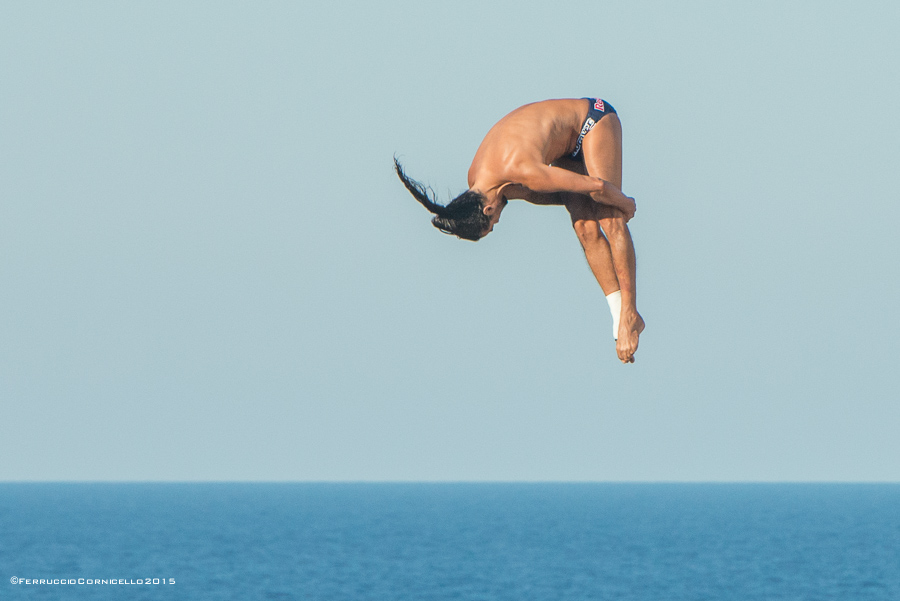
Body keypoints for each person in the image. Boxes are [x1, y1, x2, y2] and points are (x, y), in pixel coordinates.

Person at [395, 98, 644, 363]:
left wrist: (625, 203)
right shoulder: (479, 182)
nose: (498, 223)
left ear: (488, 211)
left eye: (492, 226)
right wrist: (580, 204)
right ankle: (618, 314)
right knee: (583, 225)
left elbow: (597, 187)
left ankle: (630, 312)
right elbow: (536, 195)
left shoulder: (522, 170)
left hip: (592, 121)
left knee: (610, 217)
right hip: (563, 149)